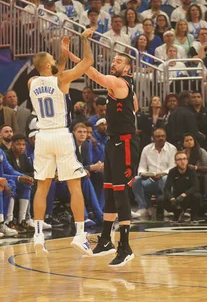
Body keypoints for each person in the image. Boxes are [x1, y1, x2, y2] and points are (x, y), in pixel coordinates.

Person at [66, 48, 140, 267]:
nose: (113, 63)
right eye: (113, 60)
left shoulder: (119, 83)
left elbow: (95, 75)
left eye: (118, 61)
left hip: (125, 143)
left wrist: (81, 52)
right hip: (114, 142)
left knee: (121, 194)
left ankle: (125, 246)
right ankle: (106, 239)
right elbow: (134, 105)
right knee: (109, 191)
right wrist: (73, 58)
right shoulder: (121, 86)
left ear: (127, 68)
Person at [28, 29, 94, 256]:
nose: (56, 63)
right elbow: (88, 61)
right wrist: (84, 40)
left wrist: (62, 55)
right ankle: (80, 235)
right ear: (48, 65)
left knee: (42, 187)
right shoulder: (62, 79)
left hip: (42, 136)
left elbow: (54, 73)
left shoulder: (32, 82)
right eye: (53, 60)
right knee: (75, 186)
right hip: (61, 135)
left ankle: (37, 234)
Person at [132, 128, 177, 218]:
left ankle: (166, 207)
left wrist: (163, 174)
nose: (161, 138)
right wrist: (143, 174)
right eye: (158, 136)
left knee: (165, 179)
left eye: (163, 136)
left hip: (165, 178)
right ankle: (143, 207)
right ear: (153, 138)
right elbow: (142, 166)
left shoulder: (172, 149)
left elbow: (172, 167)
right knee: (136, 180)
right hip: (150, 179)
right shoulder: (146, 149)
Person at [160, 150, 201, 222]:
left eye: (184, 159)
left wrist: (184, 195)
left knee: (197, 196)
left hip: (188, 196)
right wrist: (171, 198)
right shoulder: (172, 171)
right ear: (175, 162)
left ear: (187, 161)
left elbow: (195, 187)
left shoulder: (191, 170)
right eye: (179, 159)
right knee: (161, 199)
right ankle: (177, 213)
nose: (182, 162)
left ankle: (194, 215)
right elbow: (166, 189)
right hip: (176, 196)